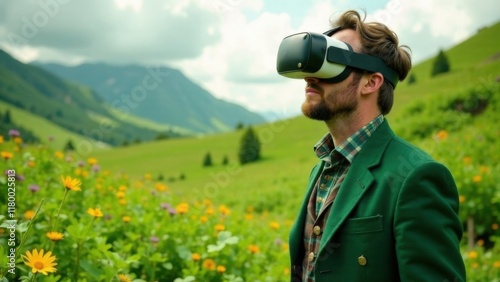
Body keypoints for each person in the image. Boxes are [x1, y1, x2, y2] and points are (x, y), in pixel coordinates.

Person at [284, 10, 466, 281]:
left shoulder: (416, 177)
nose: (310, 76)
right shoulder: (322, 169)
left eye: (331, 61)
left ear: (371, 82)